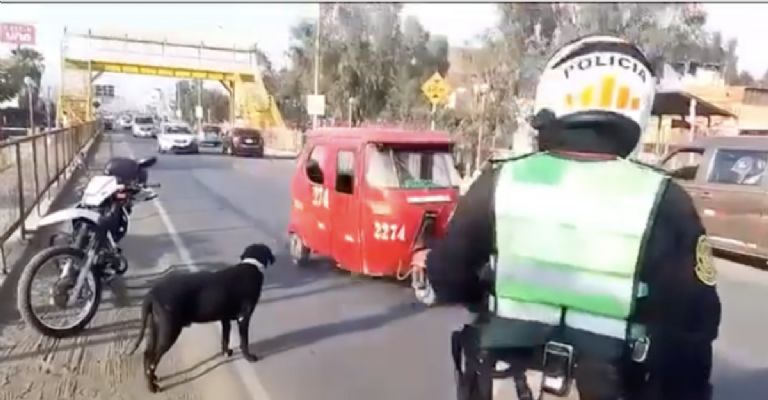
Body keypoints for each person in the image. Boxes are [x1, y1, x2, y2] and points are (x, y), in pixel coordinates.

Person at [415, 35, 722, 400]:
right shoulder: (666, 200)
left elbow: (448, 278)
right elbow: (694, 330)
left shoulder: (501, 181)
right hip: (616, 384)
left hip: (508, 382)